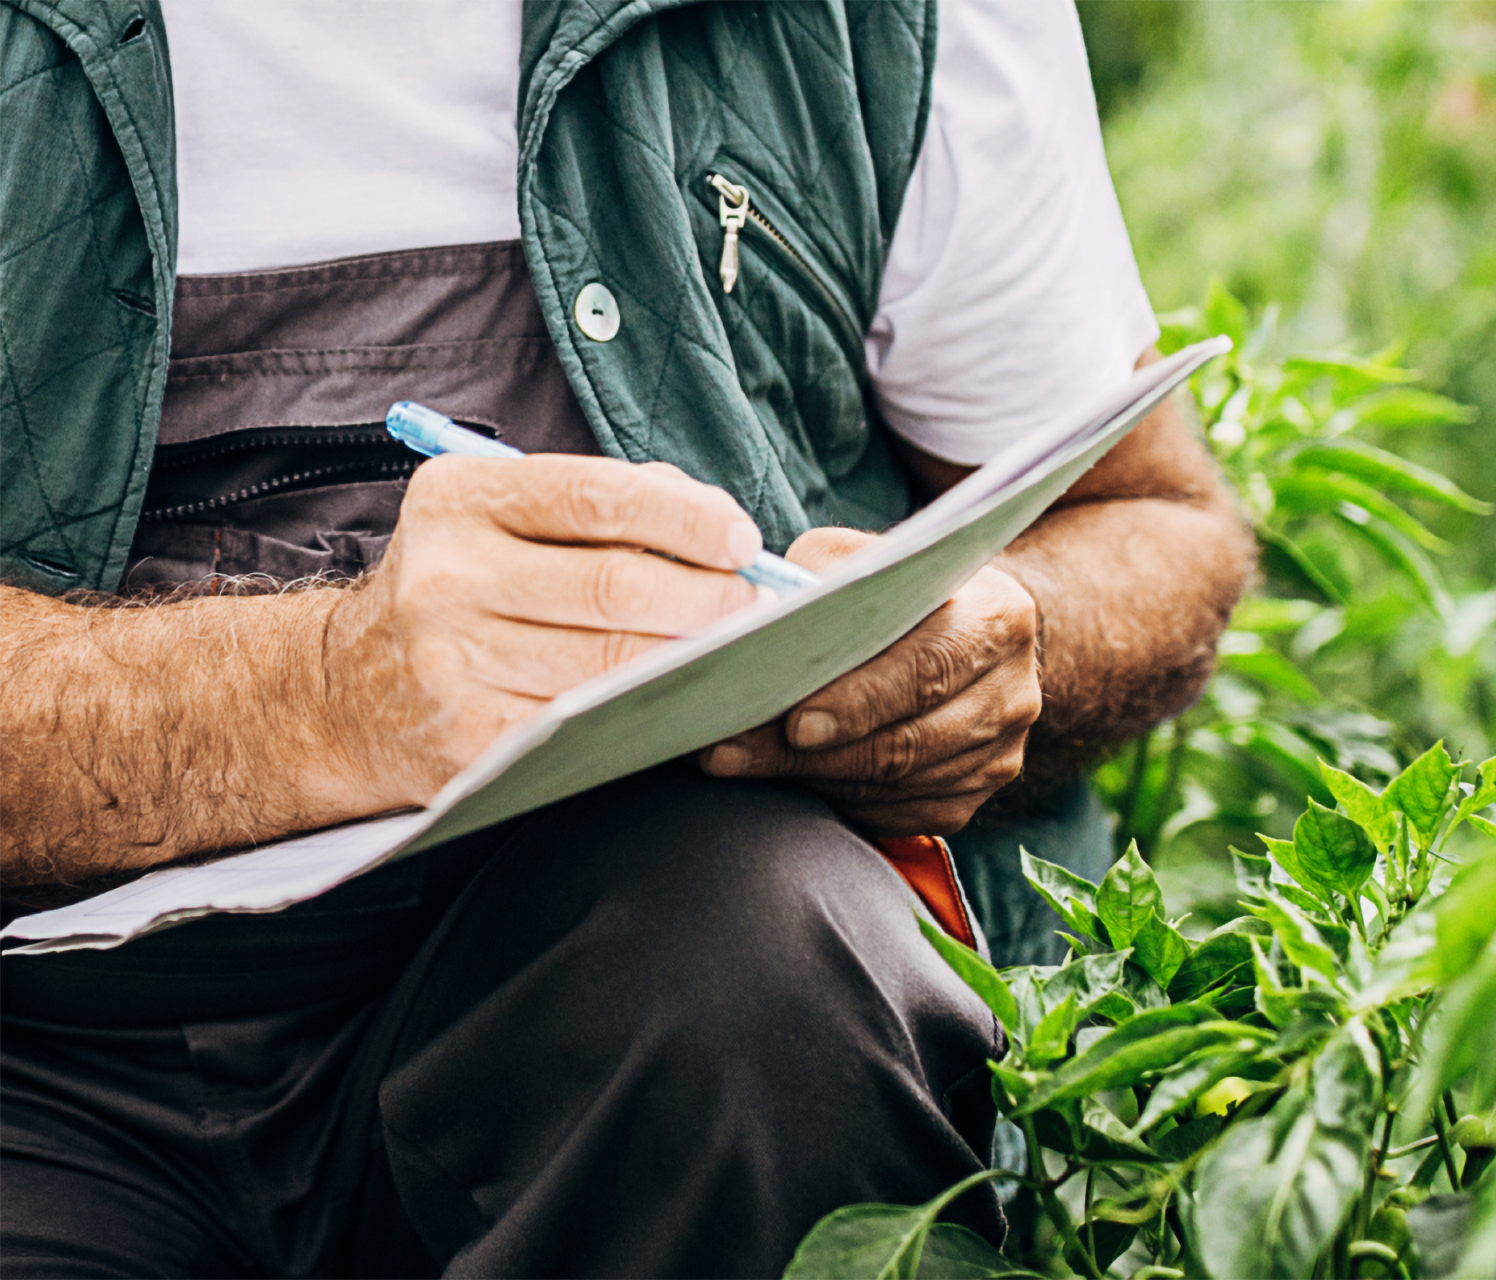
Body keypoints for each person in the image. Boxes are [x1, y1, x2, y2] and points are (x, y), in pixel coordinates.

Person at [0, 0, 1253, 1276]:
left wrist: (987, 645)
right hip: (45, 1067)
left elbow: (1150, 521)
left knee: (768, 972)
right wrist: (321, 693)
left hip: (657, 1003)